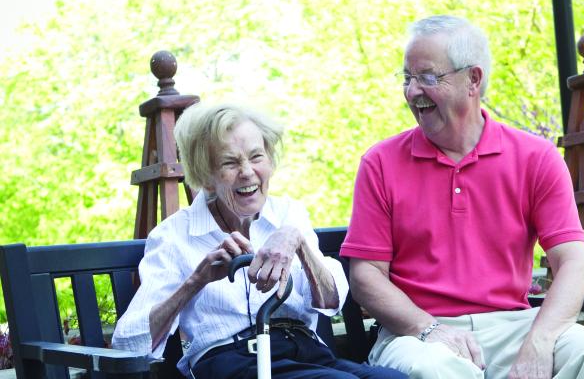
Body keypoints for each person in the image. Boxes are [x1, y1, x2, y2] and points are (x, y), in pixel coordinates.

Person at [340, 16, 584, 379]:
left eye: (428, 77)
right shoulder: (380, 163)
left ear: (473, 80)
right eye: (407, 78)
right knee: (434, 369)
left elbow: (572, 263)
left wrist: (539, 343)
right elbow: (366, 276)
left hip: (515, 326)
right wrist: (430, 329)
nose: (413, 91)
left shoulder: (535, 157)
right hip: (418, 334)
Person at [112, 102, 406, 379]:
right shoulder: (174, 235)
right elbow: (129, 345)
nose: (247, 172)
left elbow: (330, 302)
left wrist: (299, 243)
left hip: (305, 353)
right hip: (232, 361)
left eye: (256, 156)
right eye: (230, 162)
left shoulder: (289, 214)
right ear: (206, 176)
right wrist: (196, 281)